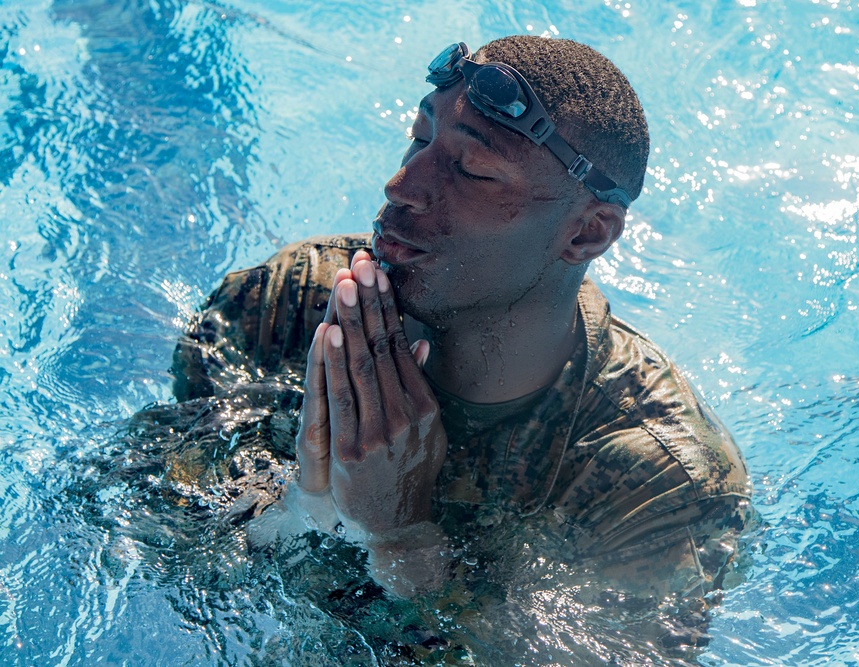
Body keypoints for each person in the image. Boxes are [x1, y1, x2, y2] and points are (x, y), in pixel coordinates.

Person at [171, 35, 751, 627]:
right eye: (419, 139)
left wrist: (398, 535)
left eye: (473, 171)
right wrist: (299, 502)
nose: (401, 187)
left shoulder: (661, 485)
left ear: (586, 233)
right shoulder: (288, 302)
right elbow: (137, 528)